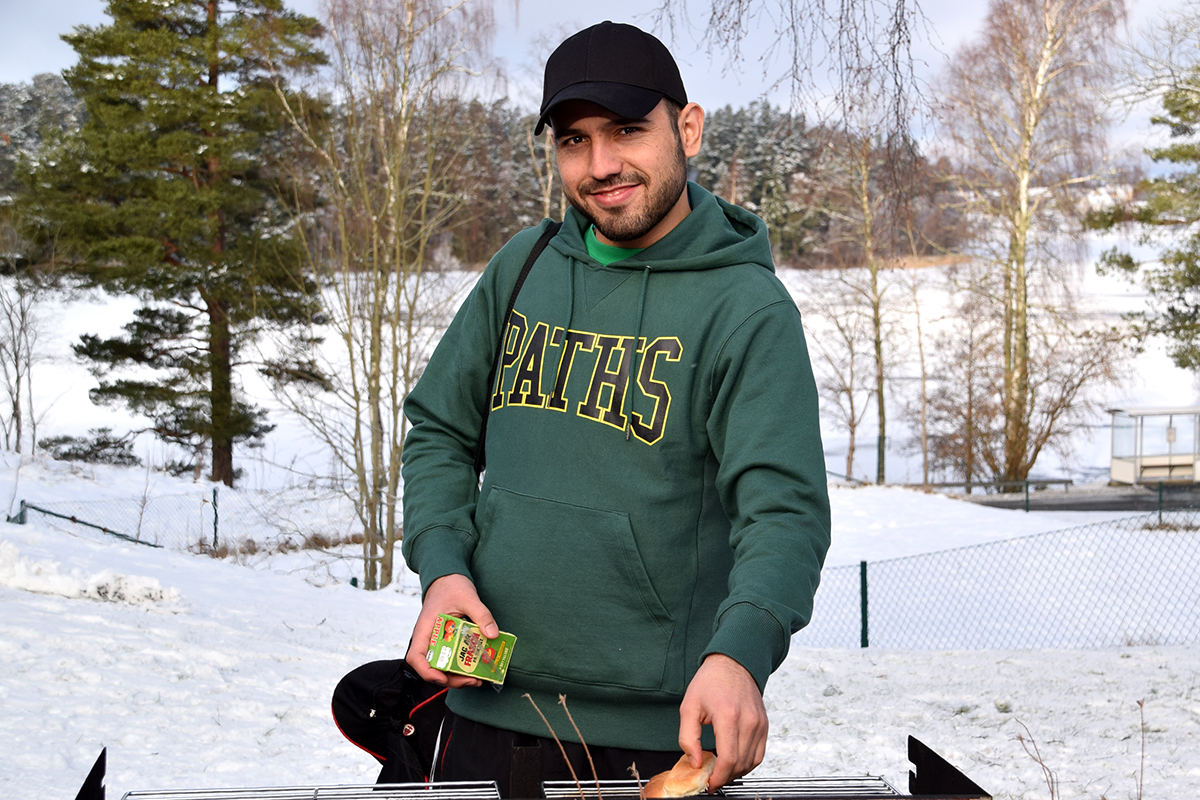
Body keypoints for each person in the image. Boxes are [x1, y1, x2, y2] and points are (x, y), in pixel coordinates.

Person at [400, 20, 830, 797]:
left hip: (650, 748)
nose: (601, 166)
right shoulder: (521, 267)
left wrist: (741, 654)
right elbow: (438, 430)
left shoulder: (746, 308)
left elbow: (785, 512)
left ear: (687, 128)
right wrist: (441, 571)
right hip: (477, 714)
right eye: (574, 140)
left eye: (628, 131)